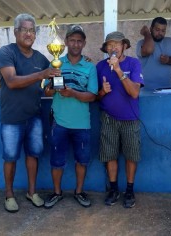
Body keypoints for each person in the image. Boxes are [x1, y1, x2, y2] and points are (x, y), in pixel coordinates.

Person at [0, 13, 61, 213]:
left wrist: (55, 83)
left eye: (32, 30)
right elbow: (12, 81)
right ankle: (9, 195)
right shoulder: (6, 53)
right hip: (12, 118)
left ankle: (32, 192)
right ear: (16, 32)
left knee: (33, 155)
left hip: (34, 117)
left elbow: (45, 88)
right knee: (10, 157)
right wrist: (42, 74)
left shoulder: (41, 58)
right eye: (25, 29)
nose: (29, 34)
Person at [43, 24, 98, 208]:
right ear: (65, 42)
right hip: (59, 122)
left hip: (82, 124)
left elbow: (92, 96)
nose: (75, 44)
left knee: (82, 161)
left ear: (84, 43)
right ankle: (57, 193)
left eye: (79, 41)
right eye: (72, 40)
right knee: (56, 161)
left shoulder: (90, 67)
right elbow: (47, 92)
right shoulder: (55, 63)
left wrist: (73, 93)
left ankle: (79, 192)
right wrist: (51, 87)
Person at [96, 31, 144, 208]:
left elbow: (134, 92)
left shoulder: (133, 63)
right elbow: (95, 96)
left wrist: (118, 70)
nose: (113, 47)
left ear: (124, 46)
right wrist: (103, 91)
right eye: (110, 44)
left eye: (117, 44)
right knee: (110, 156)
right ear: (106, 48)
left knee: (131, 156)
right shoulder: (100, 66)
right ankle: (114, 189)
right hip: (108, 119)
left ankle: (129, 190)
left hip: (130, 120)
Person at [136, 16, 171, 90]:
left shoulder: (170, 41)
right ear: (151, 29)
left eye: (163, 30)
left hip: (168, 87)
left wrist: (169, 60)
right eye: (157, 30)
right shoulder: (141, 43)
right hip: (148, 89)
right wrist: (147, 34)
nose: (160, 33)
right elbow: (148, 50)